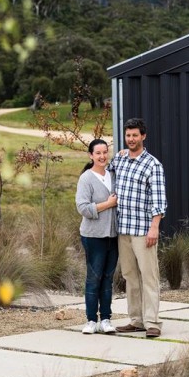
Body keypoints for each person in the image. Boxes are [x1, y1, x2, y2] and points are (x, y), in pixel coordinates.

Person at [109, 118, 167, 338]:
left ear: (143, 136)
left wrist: (155, 227)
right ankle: (136, 320)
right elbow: (105, 168)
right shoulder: (120, 159)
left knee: (149, 276)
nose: (131, 139)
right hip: (123, 229)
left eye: (135, 135)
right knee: (130, 277)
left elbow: (159, 200)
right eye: (128, 135)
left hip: (144, 231)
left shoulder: (153, 164)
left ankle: (152, 322)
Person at [75, 138, 118, 334]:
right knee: (94, 278)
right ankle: (91, 320)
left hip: (113, 236)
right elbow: (82, 207)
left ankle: (106, 319)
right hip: (93, 236)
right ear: (91, 155)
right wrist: (107, 204)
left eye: (105, 152)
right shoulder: (86, 178)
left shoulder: (113, 174)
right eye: (98, 153)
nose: (102, 156)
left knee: (108, 279)